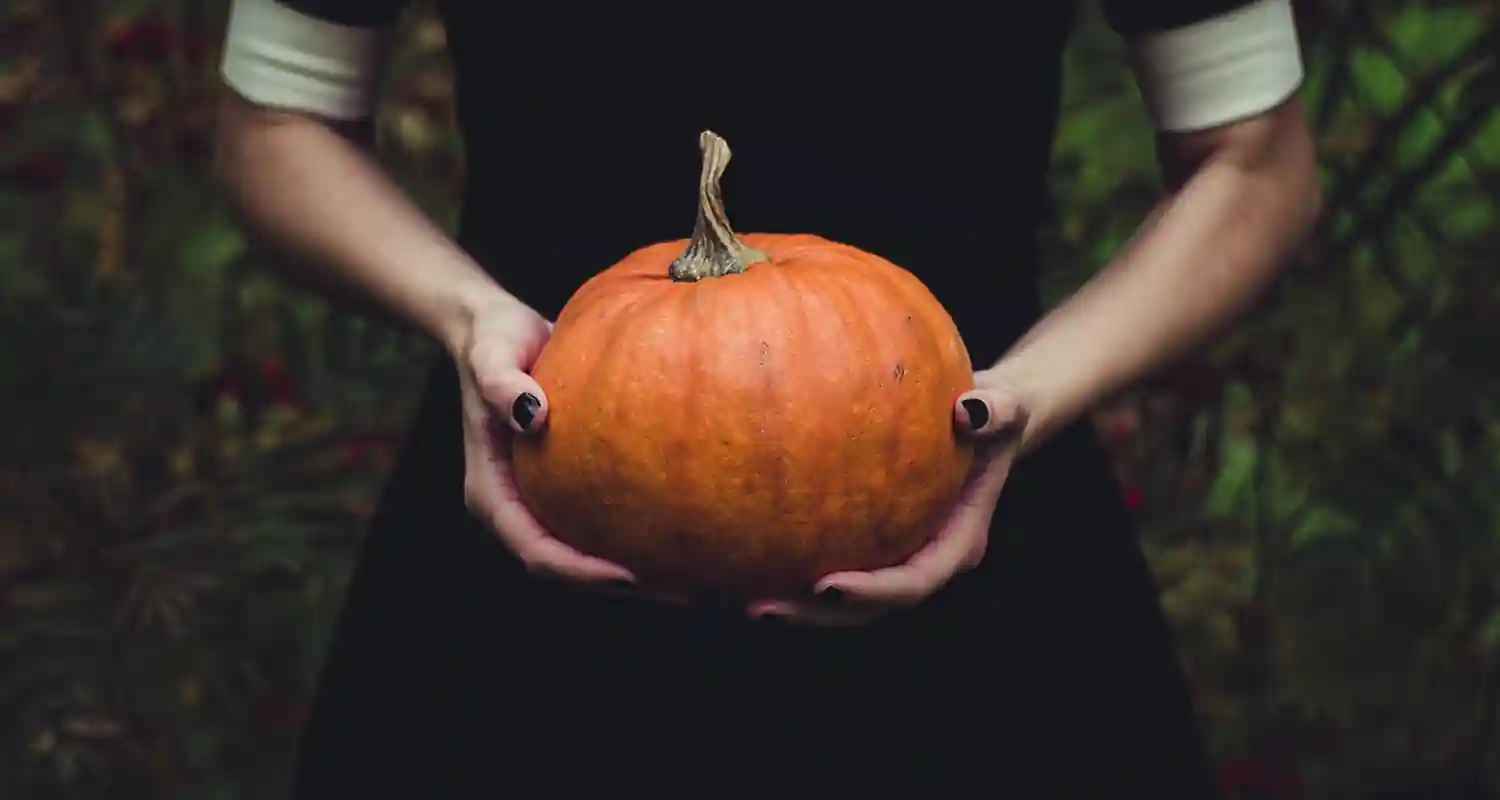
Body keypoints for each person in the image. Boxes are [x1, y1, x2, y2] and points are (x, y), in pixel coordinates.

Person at [214, 0, 1320, 795]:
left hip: (965, 502)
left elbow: (1256, 158)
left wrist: (1026, 391)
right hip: (535, 492)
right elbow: (277, 124)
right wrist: (467, 319)